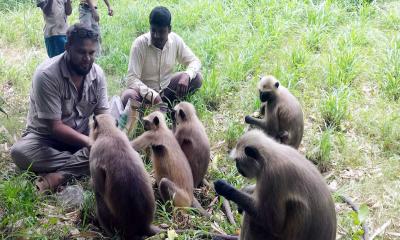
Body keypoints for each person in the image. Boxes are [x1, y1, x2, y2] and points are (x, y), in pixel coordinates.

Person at [10, 23, 109, 192]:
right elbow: (55, 127)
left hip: (82, 135)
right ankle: (88, 163)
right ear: (67, 47)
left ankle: (61, 174)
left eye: (91, 53)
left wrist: (107, 138)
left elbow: (103, 116)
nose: (87, 58)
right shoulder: (47, 74)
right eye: (81, 52)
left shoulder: (97, 74)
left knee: (115, 150)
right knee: (20, 152)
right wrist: (91, 144)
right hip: (45, 138)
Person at [120, 6, 202, 134]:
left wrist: (187, 75)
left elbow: (195, 61)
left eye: (161, 31)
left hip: (166, 91)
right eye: (153, 30)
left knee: (196, 78)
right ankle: (145, 118)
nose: (156, 36)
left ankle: (167, 109)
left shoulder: (175, 40)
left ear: (169, 29)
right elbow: (131, 79)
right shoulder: (139, 44)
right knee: (128, 96)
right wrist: (153, 96)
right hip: (144, 95)